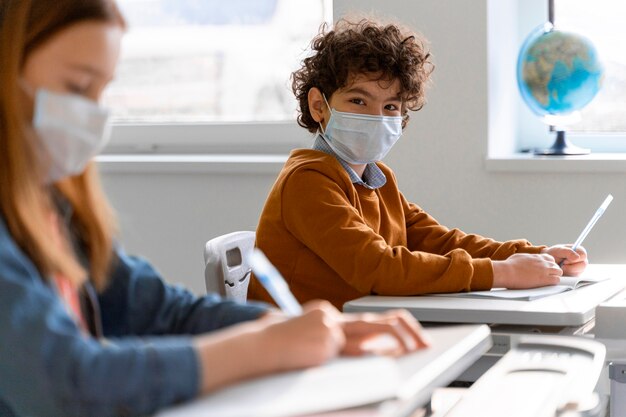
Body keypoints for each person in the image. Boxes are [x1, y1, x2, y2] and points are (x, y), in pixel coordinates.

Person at [0, 3, 430, 416]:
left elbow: (160, 311)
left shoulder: (56, 211)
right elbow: (69, 385)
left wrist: (293, 328)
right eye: (77, 88)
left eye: (101, 92)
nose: (92, 115)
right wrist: (264, 346)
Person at [247, 18, 588, 310]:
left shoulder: (376, 180)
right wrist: (505, 273)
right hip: (304, 356)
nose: (376, 117)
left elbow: (442, 242)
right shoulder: (307, 181)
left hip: (354, 337)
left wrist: (535, 254)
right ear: (319, 106)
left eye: (391, 107)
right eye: (358, 101)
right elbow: (380, 268)